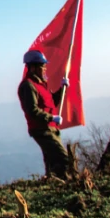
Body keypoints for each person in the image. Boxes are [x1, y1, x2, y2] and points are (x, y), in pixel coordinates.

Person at [18, 50, 72, 180]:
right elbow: (32, 110)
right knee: (62, 158)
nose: (44, 69)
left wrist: (62, 89)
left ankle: (53, 184)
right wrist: (51, 118)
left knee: (52, 161)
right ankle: (64, 184)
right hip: (41, 129)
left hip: (51, 128)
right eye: (42, 66)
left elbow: (51, 102)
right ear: (32, 67)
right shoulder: (28, 86)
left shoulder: (41, 84)